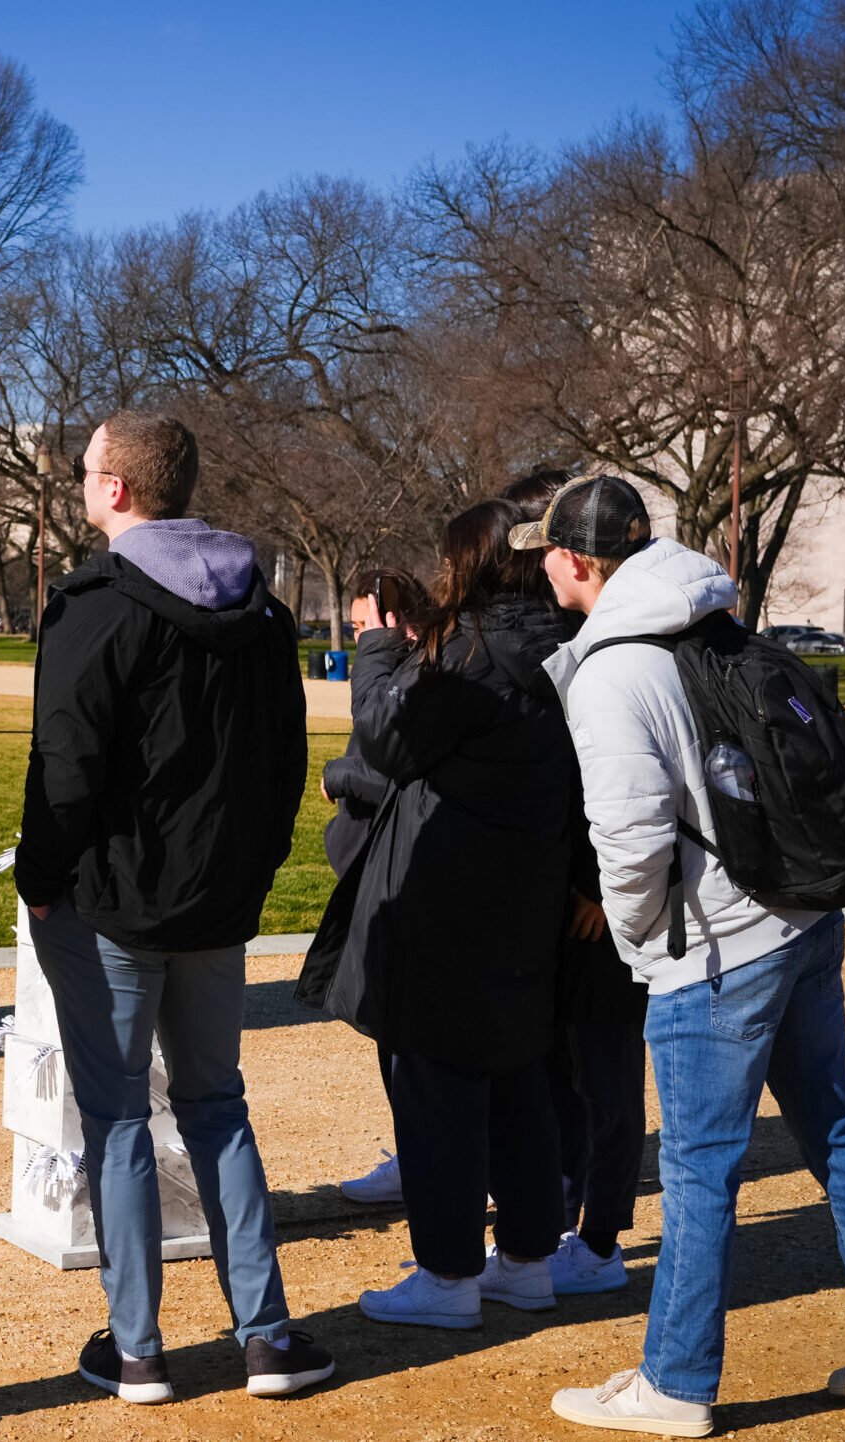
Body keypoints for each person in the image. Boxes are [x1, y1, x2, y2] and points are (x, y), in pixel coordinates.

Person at [522, 476, 845, 1437]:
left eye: (546, 551)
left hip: (717, 947)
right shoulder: (711, 619)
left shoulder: (611, 670)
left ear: (578, 560)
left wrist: (640, 942)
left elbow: (629, 841)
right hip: (800, 914)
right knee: (835, 1127)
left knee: (698, 1171)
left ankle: (676, 1384)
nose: (541, 566)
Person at [16, 409, 331, 1405]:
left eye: (85, 470)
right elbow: (286, 764)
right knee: (215, 1107)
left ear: (114, 488)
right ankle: (265, 1337)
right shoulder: (262, 611)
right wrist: (250, 872)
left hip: (114, 903)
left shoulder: (98, 603)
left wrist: (40, 875)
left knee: (118, 1118)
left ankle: (139, 1347)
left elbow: (64, 764)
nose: (80, 481)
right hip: (213, 902)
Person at [297, 500, 577, 1330]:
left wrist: (379, 648)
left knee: (438, 1090)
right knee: (520, 1079)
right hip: (529, 886)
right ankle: (526, 1260)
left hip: (450, 894)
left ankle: (448, 1274)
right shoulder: (563, 641)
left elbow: (388, 739)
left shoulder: (474, 651)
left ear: (476, 563)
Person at [500, 471, 649, 1298]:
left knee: (606, 1075)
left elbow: (629, 781)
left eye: (547, 545)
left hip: (606, 898)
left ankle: (600, 1238)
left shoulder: (617, 642)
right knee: (561, 1068)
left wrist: (599, 885)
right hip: (558, 886)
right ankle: (562, 1218)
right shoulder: (570, 629)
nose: (536, 562)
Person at [320, 568, 428, 1209]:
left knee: (406, 1035)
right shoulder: (398, 675)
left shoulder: (417, 678)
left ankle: (427, 1160)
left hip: (403, 873)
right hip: (377, 867)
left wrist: (339, 776)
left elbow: (396, 778)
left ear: (398, 623)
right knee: (392, 1030)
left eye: (364, 626)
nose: (359, 638)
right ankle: (419, 1153)